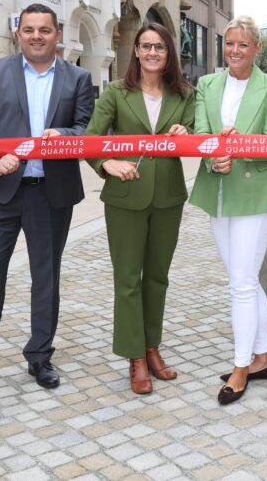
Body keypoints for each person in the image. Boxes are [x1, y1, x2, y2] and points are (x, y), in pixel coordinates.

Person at [0, 3, 94, 405]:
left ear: (57, 35)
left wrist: (65, 135)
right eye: (29, 30)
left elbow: (86, 129)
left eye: (44, 30)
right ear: (18, 34)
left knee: (46, 278)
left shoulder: (78, 78)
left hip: (51, 194)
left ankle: (40, 357)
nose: (36, 36)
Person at [84, 22, 194, 395]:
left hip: (168, 197)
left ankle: (151, 348)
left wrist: (186, 134)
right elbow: (91, 139)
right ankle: (135, 357)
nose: (152, 53)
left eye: (159, 47)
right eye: (145, 46)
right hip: (125, 196)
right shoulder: (116, 92)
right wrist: (106, 164)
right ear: (135, 51)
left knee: (158, 277)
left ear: (168, 53)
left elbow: (197, 134)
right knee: (128, 279)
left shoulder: (184, 94)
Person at [188, 16, 267, 405]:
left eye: (243, 44)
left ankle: (241, 366)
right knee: (241, 279)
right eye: (229, 43)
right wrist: (215, 156)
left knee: (242, 282)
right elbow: (200, 135)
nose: (234, 50)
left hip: (254, 193)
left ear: (256, 49)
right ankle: (265, 357)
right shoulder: (207, 84)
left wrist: (239, 144)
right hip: (218, 191)